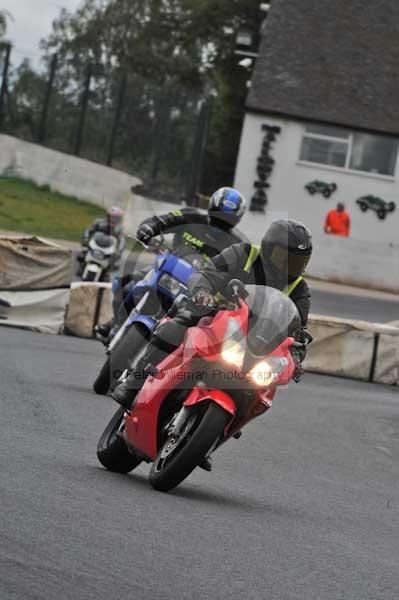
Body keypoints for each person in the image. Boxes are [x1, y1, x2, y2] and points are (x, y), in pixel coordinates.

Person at [112, 219, 313, 469]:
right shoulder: (243, 254)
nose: (289, 266)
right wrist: (202, 292)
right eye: (284, 257)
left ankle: (211, 439)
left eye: (297, 261)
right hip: (212, 313)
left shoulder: (299, 288)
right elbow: (207, 273)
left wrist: (296, 353)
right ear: (268, 247)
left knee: (261, 388)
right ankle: (134, 383)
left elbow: (298, 328)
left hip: (253, 342)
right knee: (179, 324)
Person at [96, 187, 246, 340]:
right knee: (125, 284)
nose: (218, 225)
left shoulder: (236, 244)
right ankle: (115, 323)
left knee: (205, 326)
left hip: (198, 288)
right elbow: (162, 220)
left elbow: (242, 270)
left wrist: (237, 285)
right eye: (217, 217)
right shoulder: (190, 216)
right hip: (169, 269)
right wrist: (148, 228)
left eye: (225, 221)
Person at [77, 206, 125, 274]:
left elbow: (122, 240)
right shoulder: (99, 222)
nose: (113, 219)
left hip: (109, 246)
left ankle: (106, 273)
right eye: (112, 217)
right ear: (108, 216)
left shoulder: (119, 228)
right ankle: (82, 266)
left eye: (116, 218)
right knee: (83, 252)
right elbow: (89, 230)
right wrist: (85, 238)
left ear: (119, 218)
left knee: (114, 261)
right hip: (96, 242)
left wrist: (119, 251)